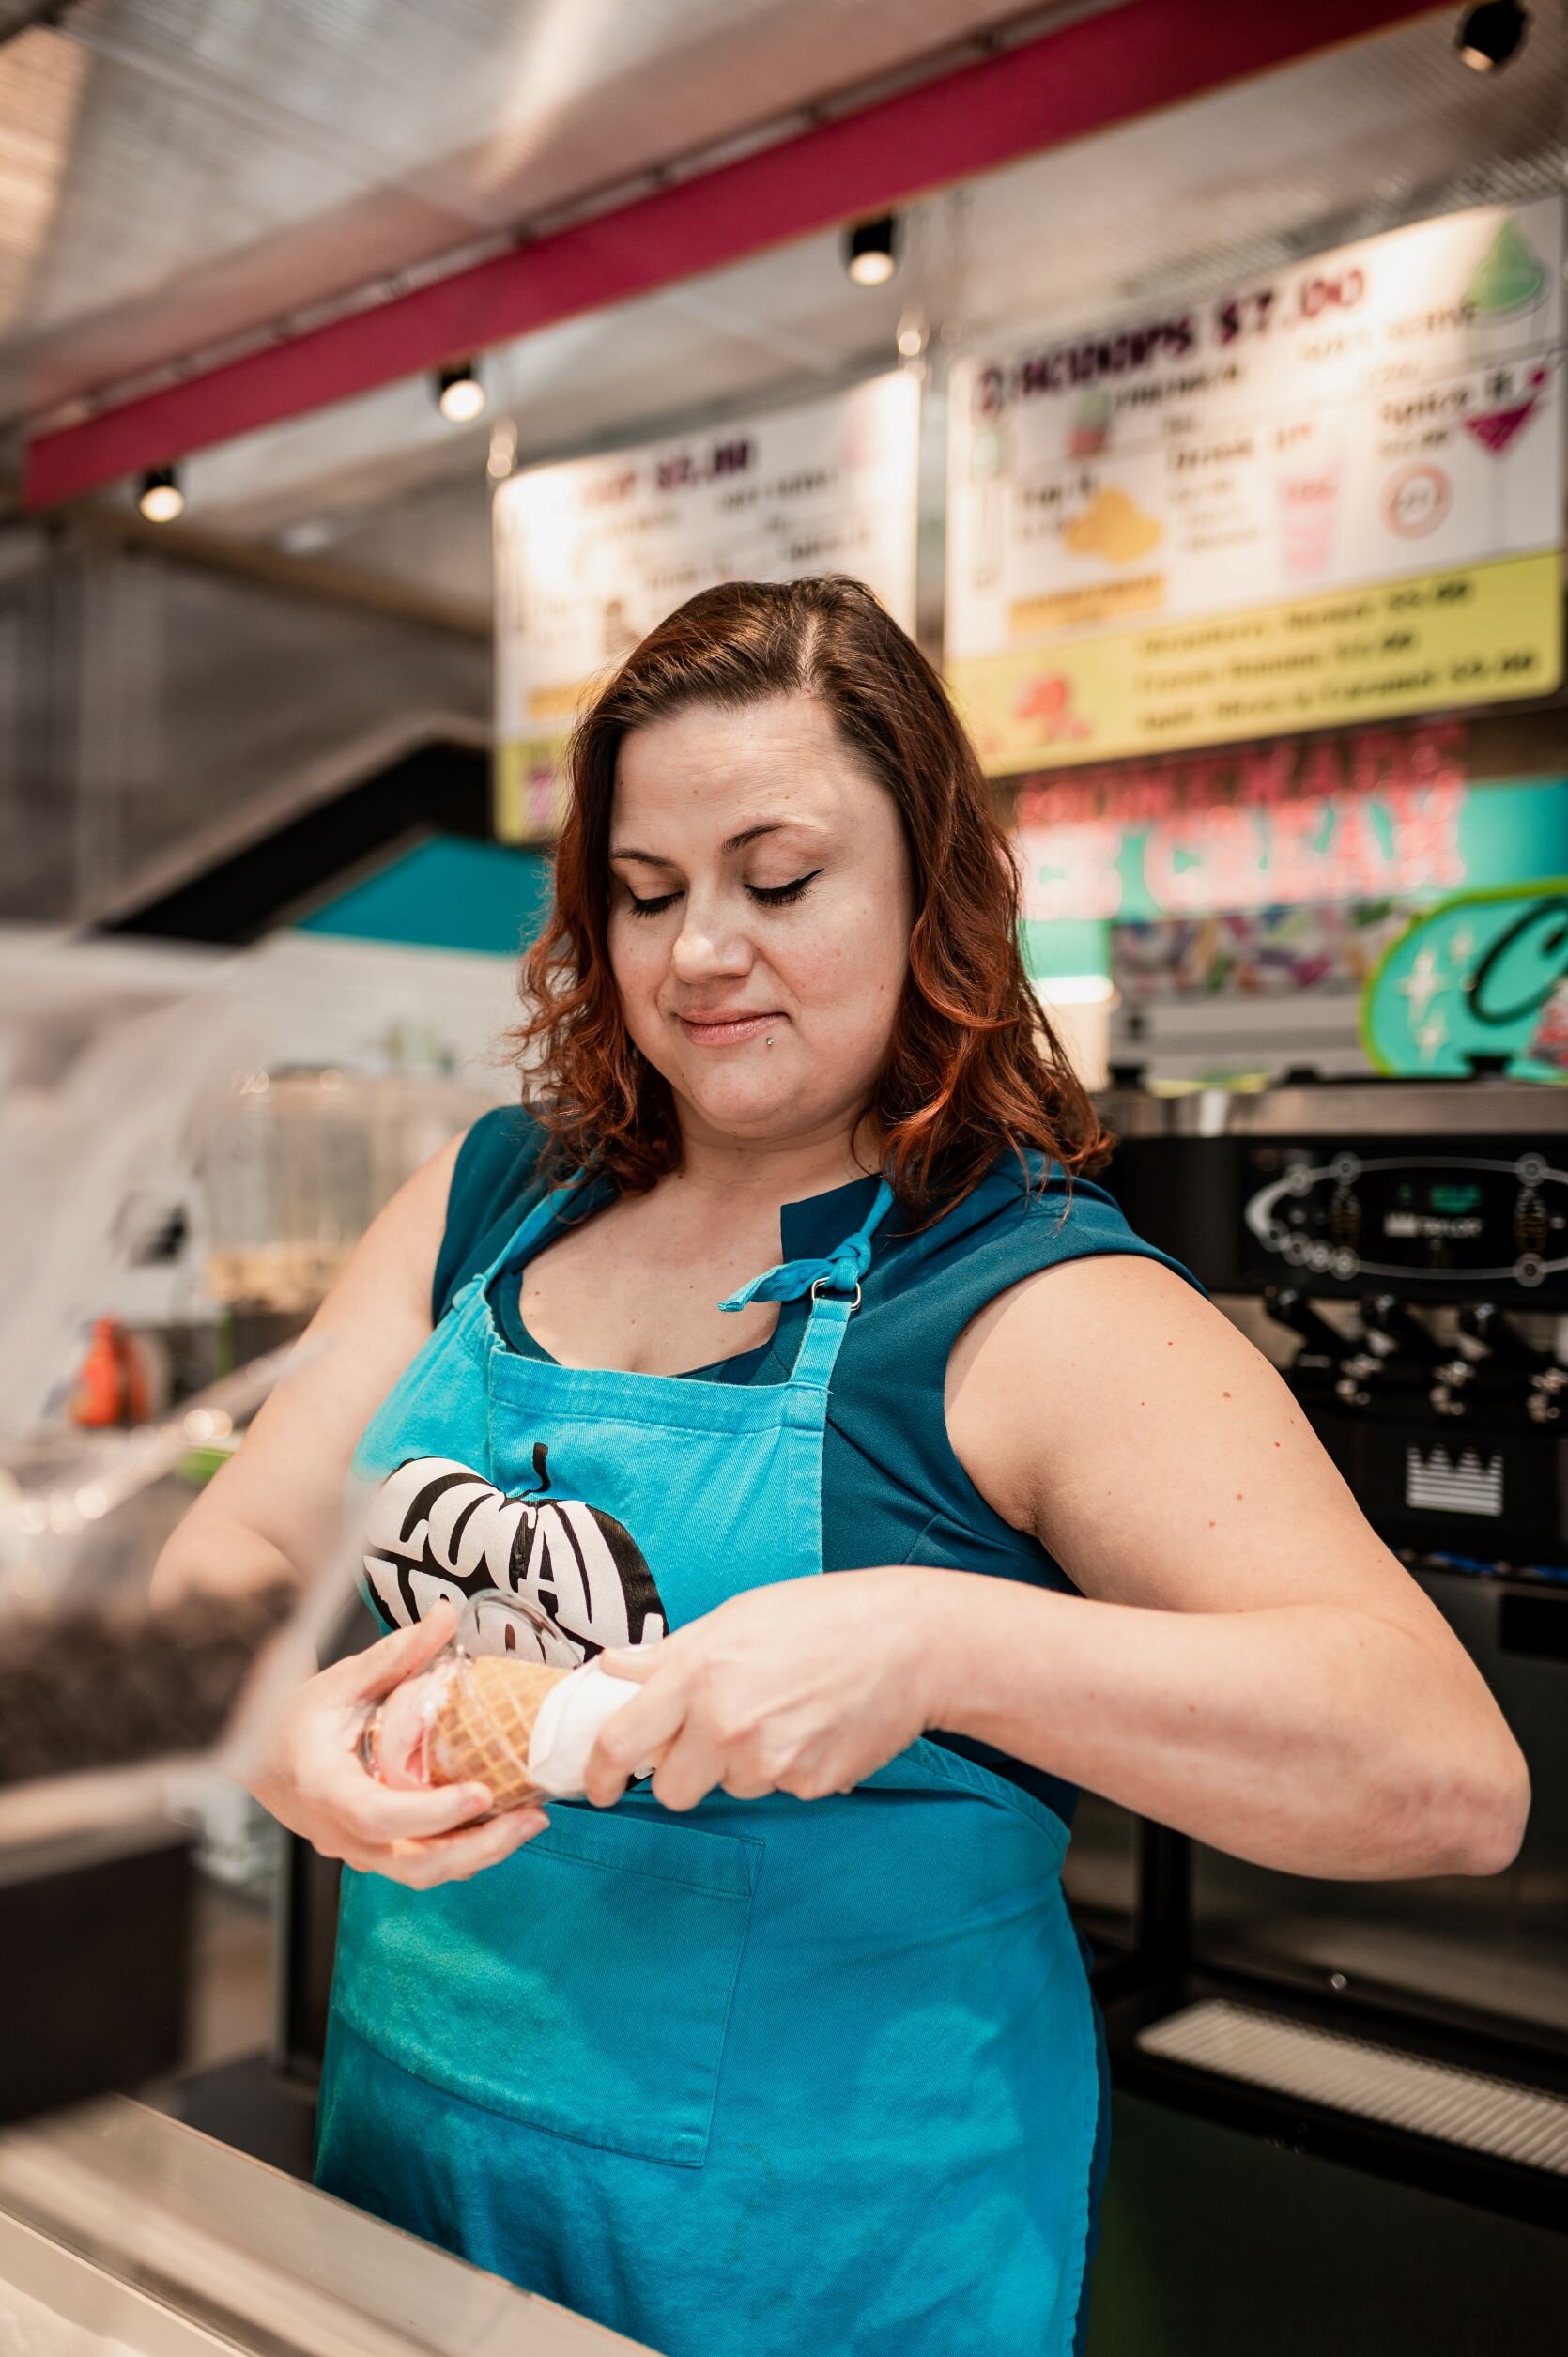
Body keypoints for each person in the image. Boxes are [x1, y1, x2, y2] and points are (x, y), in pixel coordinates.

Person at [155, 577, 1528, 2357]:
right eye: (644, 894)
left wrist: (939, 1640)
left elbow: (1444, 1774)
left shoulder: (1033, 1302)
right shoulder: (493, 1196)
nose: (698, 951)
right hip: (407, 2211)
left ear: (926, 887)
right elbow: (237, 1550)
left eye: (777, 880)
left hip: (815, 2275)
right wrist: (270, 1724)